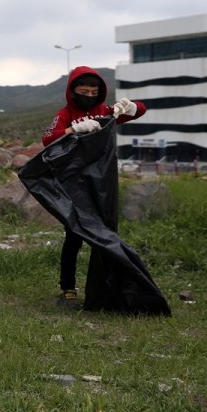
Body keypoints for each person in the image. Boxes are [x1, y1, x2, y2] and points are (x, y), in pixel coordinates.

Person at [41, 66, 147, 304]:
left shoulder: (104, 111)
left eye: (93, 91)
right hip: (74, 184)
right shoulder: (65, 114)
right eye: (83, 91)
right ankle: (67, 285)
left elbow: (140, 110)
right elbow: (48, 137)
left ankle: (104, 285)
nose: (88, 96)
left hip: (101, 184)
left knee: (105, 235)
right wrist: (73, 129)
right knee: (74, 234)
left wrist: (129, 107)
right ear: (73, 90)